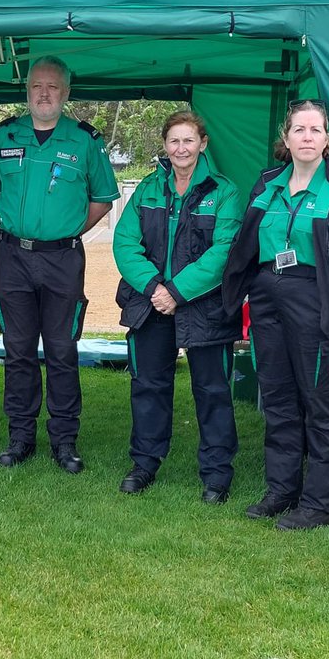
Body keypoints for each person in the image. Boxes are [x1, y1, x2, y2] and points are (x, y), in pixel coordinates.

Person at [222, 99, 329, 529]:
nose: (307, 137)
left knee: (319, 402)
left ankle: (319, 503)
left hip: (318, 301)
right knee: (278, 397)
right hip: (268, 296)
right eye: (299, 130)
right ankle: (282, 490)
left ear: (327, 138)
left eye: (315, 130)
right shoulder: (268, 183)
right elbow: (247, 244)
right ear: (285, 138)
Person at [0, 55, 120, 472]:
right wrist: (19, 227)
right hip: (12, 259)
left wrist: (65, 231)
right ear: (27, 90)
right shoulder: (2, 135)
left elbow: (101, 201)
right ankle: (20, 437)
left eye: (52, 86)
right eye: (36, 86)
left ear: (66, 92)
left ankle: (64, 440)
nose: (44, 94)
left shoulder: (85, 141)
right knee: (18, 350)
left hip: (62, 260)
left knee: (61, 350)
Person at [113, 110, 243, 500]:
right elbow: (125, 243)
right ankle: (144, 463)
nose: (181, 148)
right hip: (150, 303)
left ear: (202, 144)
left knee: (212, 390)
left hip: (205, 307)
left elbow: (224, 252)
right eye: (174, 141)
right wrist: (155, 288)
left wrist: (177, 292)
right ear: (165, 145)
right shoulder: (148, 189)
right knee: (148, 387)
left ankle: (217, 474)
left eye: (188, 140)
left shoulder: (225, 192)